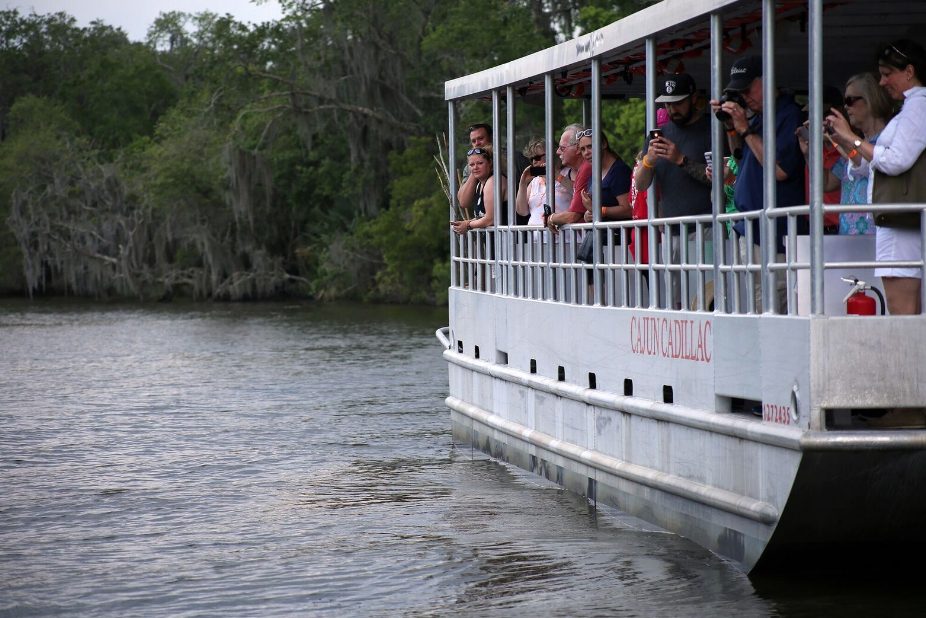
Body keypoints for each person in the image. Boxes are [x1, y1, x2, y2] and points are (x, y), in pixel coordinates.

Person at [827, 39, 926, 316]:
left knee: (902, 312)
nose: (882, 82)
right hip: (896, 221)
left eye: (886, 74)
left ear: (909, 71)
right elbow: (865, 166)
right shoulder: (908, 109)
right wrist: (844, 141)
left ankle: (906, 361)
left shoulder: (918, 107)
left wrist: (851, 139)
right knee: (903, 310)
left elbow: (895, 161)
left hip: (900, 222)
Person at [711, 55, 805, 313]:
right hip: (751, 227)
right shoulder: (759, 117)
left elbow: (779, 170)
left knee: (773, 307)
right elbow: (741, 159)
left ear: (767, 81)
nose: (744, 96)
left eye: (747, 89)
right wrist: (732, 128)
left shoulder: (788, 114)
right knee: (756, 306)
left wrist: (745, 129)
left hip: (774, 233)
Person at [635, 73, 713, 308]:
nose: (672, 109)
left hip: (706, 228)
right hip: (670, 231)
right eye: (667, 104)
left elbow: (721, 179)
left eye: (678, 103)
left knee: (705, 295)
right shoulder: (659, 133)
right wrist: (648, 160)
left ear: (694, 99)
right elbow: (640, 184)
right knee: (674, 299)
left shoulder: (711, 128)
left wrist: (681, 160)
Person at [823, 73, 892, 235]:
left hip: (878, 238)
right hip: (849, 241)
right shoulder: (854, 143)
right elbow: (826, 184)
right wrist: (809, 153)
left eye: (850, 101)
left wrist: (846, 138)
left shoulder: (890, 140)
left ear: (870, 100)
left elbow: (867, 164)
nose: (846, 107)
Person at [796, 85, 844, 233]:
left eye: (821, 115)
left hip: (842, 228)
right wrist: (807, 152)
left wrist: (833, 137)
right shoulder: (814, 149)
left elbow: (854, 159)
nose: (814, 121)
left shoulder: (848, 148)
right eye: (810, 115)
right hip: (816, 228)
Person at [515, 138, 572, 226]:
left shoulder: (568, 173)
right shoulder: (535, 181)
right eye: (532, 158)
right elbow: (522, 212)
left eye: (537, 157)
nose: (534, 161)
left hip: (563, 237)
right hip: (536, 237)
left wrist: (556, 175)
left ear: (551, 155)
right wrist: (523, 183)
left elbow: (577, 191)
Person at [451, 147, 506, 234]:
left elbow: (490, 219)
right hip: (494, 242)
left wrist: (468, 225)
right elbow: (481, 216)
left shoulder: (493, 181)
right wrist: (466, 222)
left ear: (490, 163)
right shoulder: (479, 185)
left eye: (480, 163)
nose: (475, 167)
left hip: (506, 242)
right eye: (472, 165)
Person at [545, 124, 588, 233]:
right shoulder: (582, 169)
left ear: (577, 148)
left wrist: (550, 218)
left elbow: (572, 216)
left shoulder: (586, 168)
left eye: (562, 148)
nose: (557, 152)